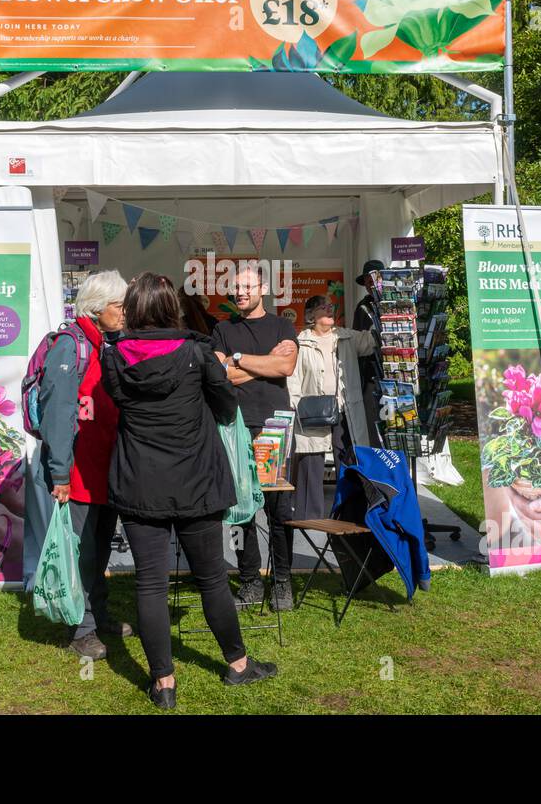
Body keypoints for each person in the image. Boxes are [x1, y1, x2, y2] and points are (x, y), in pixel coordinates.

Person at [101, 271, 277, 709]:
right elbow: (225, 406)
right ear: (171, 308)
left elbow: (121, 401)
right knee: (212, 576)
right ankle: (237, 665)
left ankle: (164, 683)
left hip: (140, 479)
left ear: (135, 311)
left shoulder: (114, 357)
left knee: (150, 584)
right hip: (196, 478)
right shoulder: (198, 353)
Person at [36, 270, 134, 661]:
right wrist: (59, 472)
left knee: (99, 548)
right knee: (81, 552)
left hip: (104, 470)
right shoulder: (70, 345)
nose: (125, 312)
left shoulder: (105, 343)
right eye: (119, 305)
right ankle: (82, 629)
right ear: (96, 309)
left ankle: (98, 613)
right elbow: (57, 413)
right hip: (77, 473)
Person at [211, 263, 299, 610]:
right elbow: (221, 377)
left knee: (278, 511)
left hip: (275, 426)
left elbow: (285, 367)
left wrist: (238, 361)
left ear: (263, 288)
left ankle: (281, 582)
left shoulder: (282, 325)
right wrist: (260, 364)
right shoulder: (222, 329)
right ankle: (250, 582)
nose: (241, 292)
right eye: (236, 287)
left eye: (248, 286)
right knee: (242, 509)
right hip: (235, 428)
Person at [287, 295, 376, 526]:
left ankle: (350, 514)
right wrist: (296, 403)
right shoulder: (300, 341)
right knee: (310, 462)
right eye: (322, 306)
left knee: (346, 460)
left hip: (344, 409)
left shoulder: (346, 336)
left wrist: (384, 314)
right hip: (312, 411)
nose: (329, 309)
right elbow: (293, 377)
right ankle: (308, 517)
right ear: (310, 316)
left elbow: (371, 341)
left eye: (330, 306)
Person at [351, 259, 386, 448]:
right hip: (371, 375)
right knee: (372, 422)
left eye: (375, 278)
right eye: (367, 280)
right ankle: (376, 465)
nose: (371, 284)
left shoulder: (396, 301)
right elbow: (357, 341)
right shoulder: (362, 307)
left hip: (394, 375)